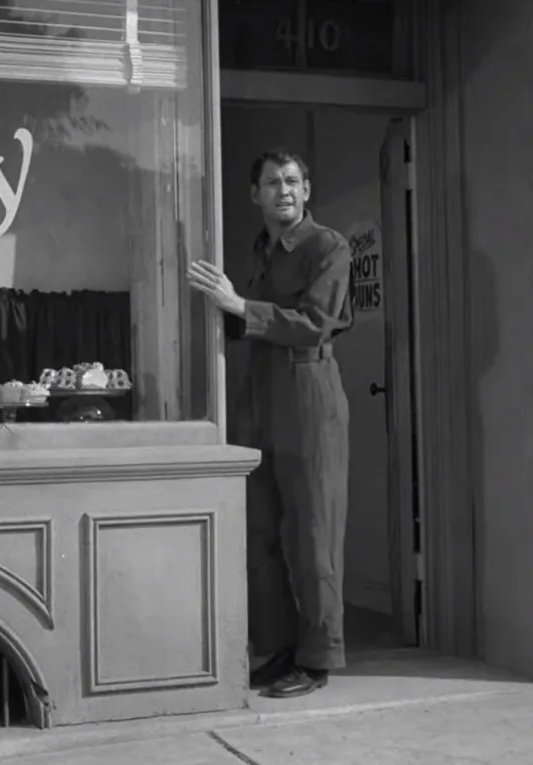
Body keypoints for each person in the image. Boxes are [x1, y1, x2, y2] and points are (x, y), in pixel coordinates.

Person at [186, 148, 353, 699]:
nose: (283, 191)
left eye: (292, 181)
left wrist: (239, 305)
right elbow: (243, 321)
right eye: (272, 182)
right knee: (260, 531)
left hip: (308, 396)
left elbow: (315, 323)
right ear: (254, 194)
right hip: (259, 396)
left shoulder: (328, 247)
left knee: (313, 534)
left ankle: (318, 657)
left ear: (306, 190)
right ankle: (279, 647)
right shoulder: (261, 250)